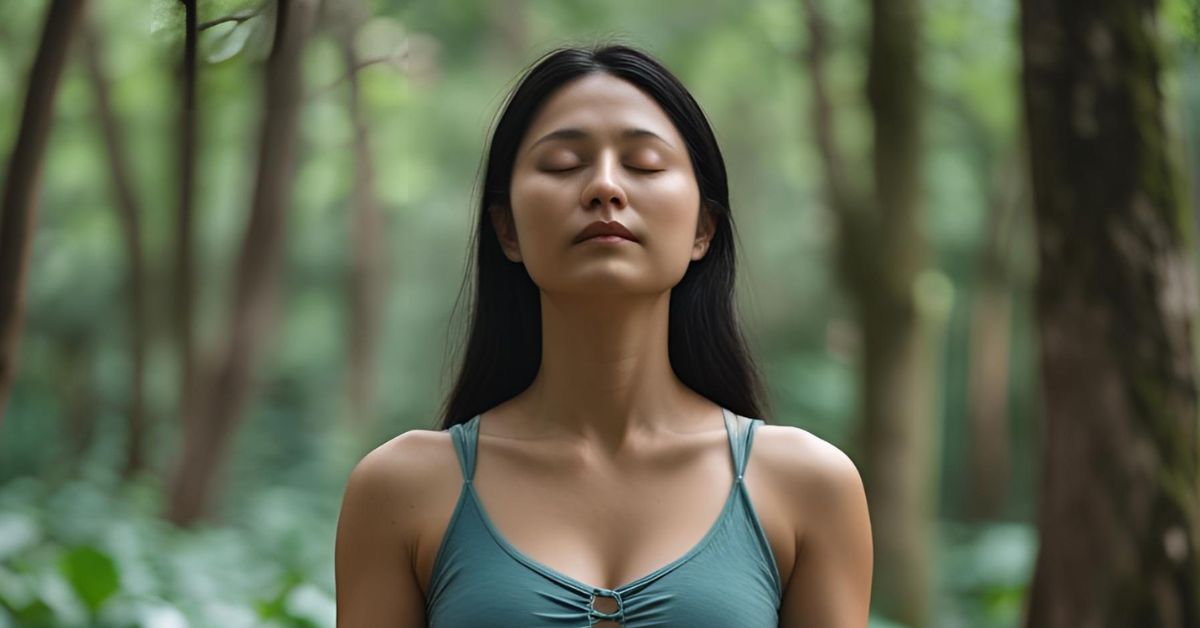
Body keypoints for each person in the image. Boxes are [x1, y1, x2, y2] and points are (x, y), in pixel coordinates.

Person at [335, 43, 872, 627]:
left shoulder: (808, 486)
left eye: (643, 164)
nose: (604, 188)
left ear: (703, 228)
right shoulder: (402, 490)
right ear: (506, 229)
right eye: (564, 164)